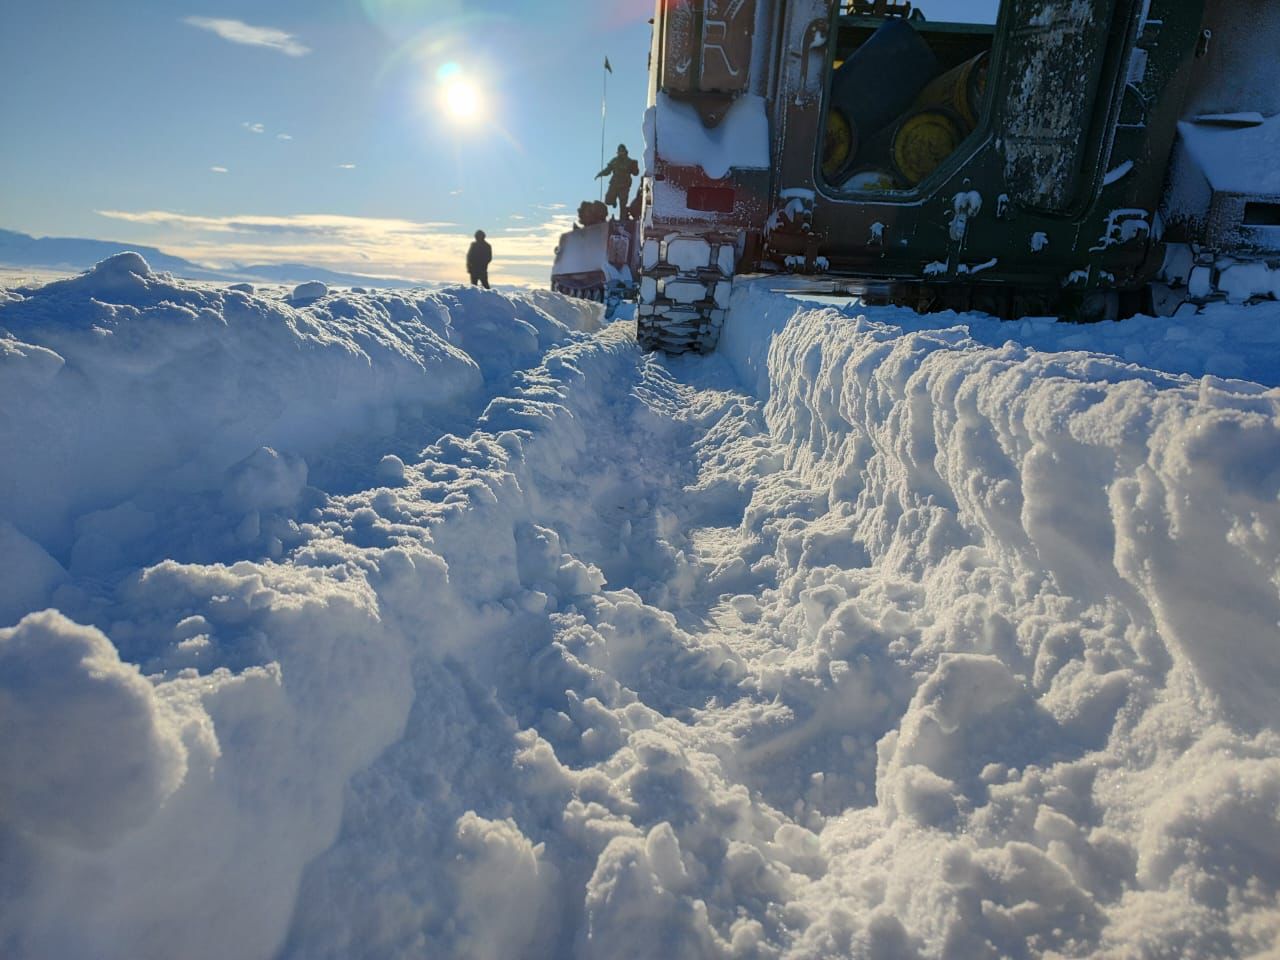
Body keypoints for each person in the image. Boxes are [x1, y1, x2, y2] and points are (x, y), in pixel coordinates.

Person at [595, 144, 640, 220]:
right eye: (619, 151)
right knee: (608, 200)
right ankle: (613, 201)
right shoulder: (614, 161)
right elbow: (608, 170)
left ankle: (622, 220)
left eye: (622, 151)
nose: (620, 153)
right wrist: (600, 174)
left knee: (623, 204)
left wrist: (635, 166)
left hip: (624, 185)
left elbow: (636, 173)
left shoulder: (629, 162)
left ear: (625, 151)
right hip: (614, 184)